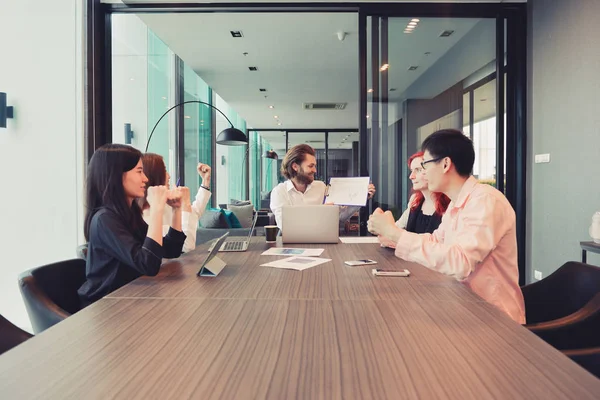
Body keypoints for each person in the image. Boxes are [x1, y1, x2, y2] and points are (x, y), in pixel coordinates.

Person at [368, 129, 525, 324]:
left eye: (425, 164)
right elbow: (436, 240)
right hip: (461, 305)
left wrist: (394, 233)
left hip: (493, 317)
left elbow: (461, 263)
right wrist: (394, 233)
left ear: (445, 164)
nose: (421, 172)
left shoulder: (485, 201)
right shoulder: (458, 201)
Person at [78, 144, 186, 307]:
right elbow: (147, 264)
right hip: (106, 308)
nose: (146, 179)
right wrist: (157, 209)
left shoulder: (129, 213)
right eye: (139, 171)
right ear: (116, 175)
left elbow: (171, 250)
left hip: (131, 298)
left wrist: (177, 210)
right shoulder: (104, 219)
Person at [270, 144, 376, 231]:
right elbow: (285, 225)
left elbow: (340, 217)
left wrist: (361, 197)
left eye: (315, 166)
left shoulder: (320, 187)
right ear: (295, 167)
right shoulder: (279, 192)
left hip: (324, 242)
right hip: (293, 245)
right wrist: (321, 213)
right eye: (311, 166)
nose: (315, 170)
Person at [138, 153, 212, 252]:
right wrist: (185, 203)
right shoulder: (147, 215)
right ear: (154, 175)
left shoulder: (165, 202)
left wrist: (205, 181)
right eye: (164, 171)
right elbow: (186, 247)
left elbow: (193, 214)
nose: (169, 176)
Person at [379, 151, 450, 248]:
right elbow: (392, 233)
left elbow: (443, 246)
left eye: (418, 170)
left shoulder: (451, 205)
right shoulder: (415, 201)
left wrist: (399, 240)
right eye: (412, 170)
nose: (411, 176)